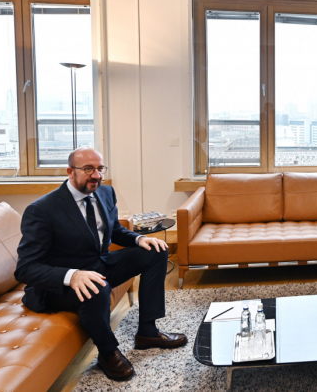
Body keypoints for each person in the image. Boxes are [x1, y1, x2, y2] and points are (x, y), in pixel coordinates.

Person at [14, 147, 187, 381]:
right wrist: (73, 276)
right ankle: (107, 353)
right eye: (87, 169)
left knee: (157, 251)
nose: (96, 175)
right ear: (70, 172)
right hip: (60, 284)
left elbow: (114, 230)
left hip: (99, 264)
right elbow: (25, 269)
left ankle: (147, 332)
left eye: (99, 168)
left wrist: (139, 238)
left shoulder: (105, 193)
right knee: (97, 287)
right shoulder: (42, 210)